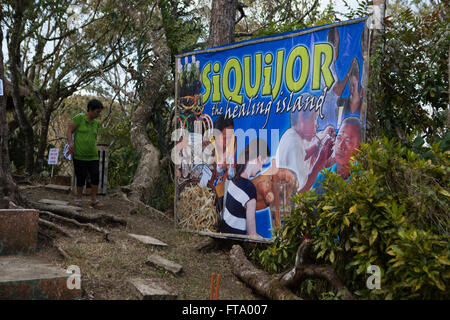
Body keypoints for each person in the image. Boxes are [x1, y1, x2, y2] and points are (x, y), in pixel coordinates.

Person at [275, 108, 335, 194]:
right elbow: (301, 191)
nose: (317, 125)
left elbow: (304, 153)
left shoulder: (290, 134)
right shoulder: (294, 142)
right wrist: (320, 162)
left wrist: (320, 140)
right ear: (301, 119)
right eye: (314, 119)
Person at [219, 138, 269, 237]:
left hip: (222, 237)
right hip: (235, 244)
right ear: (258, 158)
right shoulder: (249, 189)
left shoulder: (233, 175)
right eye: (262, 164)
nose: (260, 169)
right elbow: (252, 235)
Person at [67, 99, 104, 208]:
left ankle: (94, 199)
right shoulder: (79, 118)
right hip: (79, 155)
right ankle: (78, 199)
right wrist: (70, 143)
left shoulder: (96, 123)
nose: (98, 115)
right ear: (90, 110)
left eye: (99, 112)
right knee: (81, 177)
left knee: (95, 177)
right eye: (97, 112)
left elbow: (94, 138)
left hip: (93, 156)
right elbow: (69, 130)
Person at [312, 116, 361, 194]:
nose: (341, 146)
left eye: (348, 140)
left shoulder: (363, 180)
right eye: (339, 138)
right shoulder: (322, 178)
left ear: (358, 148)